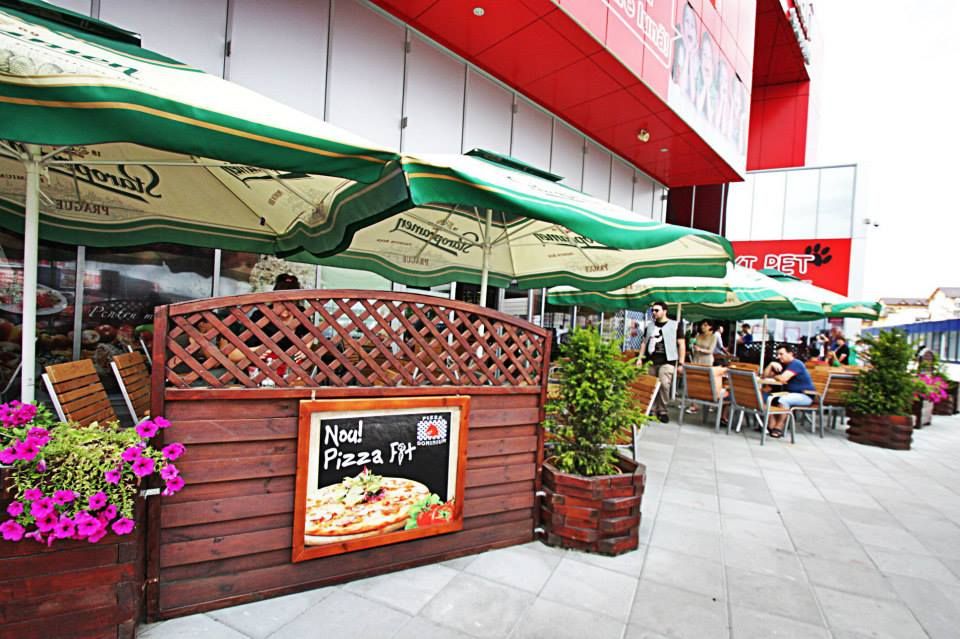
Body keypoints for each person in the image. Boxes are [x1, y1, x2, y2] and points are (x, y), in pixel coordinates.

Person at [638, 301, 686, 423]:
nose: (654, 312)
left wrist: (681, 363)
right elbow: (644, 342)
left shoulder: (675, 325)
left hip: (668, 360)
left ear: (665, 311)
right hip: (650, 360)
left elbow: (681, 344)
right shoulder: (650, 326)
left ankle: (662, 410)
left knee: (664, 384)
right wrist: (640, 358)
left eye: (656, 310)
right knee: (650, 384)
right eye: (652, 310)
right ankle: (651, 409)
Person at [763, 345, 815, 438]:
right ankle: (771, 423)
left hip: (804, 395)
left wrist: (775, 376)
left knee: (784, 400)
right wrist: (771, 365)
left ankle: (779, 427)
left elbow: (783, 378)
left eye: (781, 354)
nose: (778, 357)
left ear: (790, 354)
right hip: (788, 393)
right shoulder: (782, 364)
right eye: (777, 354)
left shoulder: (796, 364)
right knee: (763, 397)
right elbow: (765, 376)